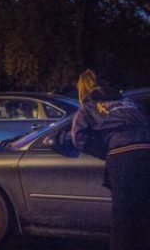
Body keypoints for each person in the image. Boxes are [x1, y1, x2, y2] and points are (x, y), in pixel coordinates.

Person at [71, 69, 150, 250]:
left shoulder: (88, 107)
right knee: (145, 212)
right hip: (147, 154)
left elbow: (79, 138)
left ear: (82, 89)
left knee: (123, 219)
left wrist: (106, 151)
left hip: (124, 159)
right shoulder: (129, 103)